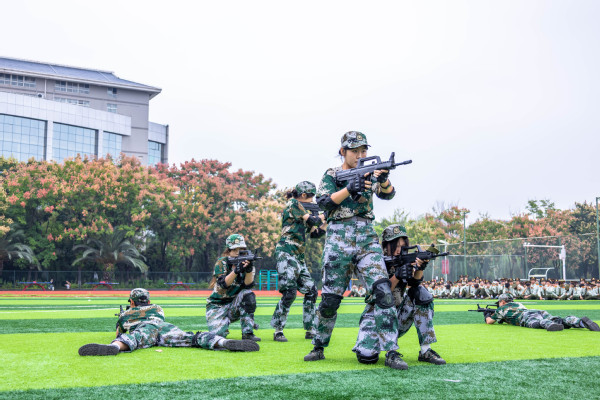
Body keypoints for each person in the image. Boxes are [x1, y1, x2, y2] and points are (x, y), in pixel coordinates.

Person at [304, 131, 403, 369]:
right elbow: (323, 202)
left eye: (363, 150)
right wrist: (349, 188)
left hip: (367, 237)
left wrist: (384, 179)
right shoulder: (332, 174)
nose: (360, 155)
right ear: (343, 151)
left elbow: (388, 194)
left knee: (383, 291)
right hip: (338, 237)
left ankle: (392, 351)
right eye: (355, 151)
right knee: (330, 300)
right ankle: (318, 346)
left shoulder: (369, 172)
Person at [79, 288, 259, 356]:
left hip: (146, 329)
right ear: (148, 300)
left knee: (134, 338)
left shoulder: (127, 314)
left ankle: (114, 348)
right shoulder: (157, 308)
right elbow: (159, 320)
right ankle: (223, 342)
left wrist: (121, 321)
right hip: (166, 328)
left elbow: (120, 331)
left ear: (132, 301)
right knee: (192, 337)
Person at [374, 224, 445, 367]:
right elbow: (378, 295)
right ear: (386, 246)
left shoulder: (404, 260)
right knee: (367, 357)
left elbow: (414, 283)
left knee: (420, 293)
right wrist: (397, 275)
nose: (399, 250)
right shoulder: (376, 263)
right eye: (395, 246)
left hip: (398, 319)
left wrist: (420, 267)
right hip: (376, 323)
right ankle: (390, 352)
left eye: (402, 246)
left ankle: (425, 350)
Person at [271, 181, 326, 342]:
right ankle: (278, 330)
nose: (313, 201)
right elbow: (313, 221)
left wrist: (328, 221)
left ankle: (310, 328)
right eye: (311, 197)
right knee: (289, 292)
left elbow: (316, 233)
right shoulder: (294, 204)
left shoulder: (305, 211)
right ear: (303, 195)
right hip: (286, 253)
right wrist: (327, 214)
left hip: (299, 257)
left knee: (311, 291)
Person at [206, 234, 261, 341]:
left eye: (241, 249)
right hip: (217, 306)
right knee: (218, 336)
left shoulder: (247, 263)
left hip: (234, 305)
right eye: (234, 249)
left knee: (248, 294)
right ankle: (222, 323)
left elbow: (248, 285)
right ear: (228, 251)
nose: (237, 252)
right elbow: (223, 284)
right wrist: (236, 270)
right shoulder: (222, 262)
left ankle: (248, 333)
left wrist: (249, 270)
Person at [485, 293, 599, 331]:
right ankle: (579, 321)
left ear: (503, 301)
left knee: (537, 323)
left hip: (525, 316)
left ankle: (549, 325)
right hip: (536, 311)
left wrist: (486, 315)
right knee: (558, 319)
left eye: (499, 302)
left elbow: (490, 321)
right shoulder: (518, 303)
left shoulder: (501, 309)